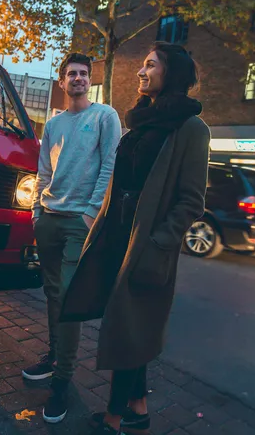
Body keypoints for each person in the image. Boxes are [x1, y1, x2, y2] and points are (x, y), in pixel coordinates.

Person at [59, 42, 210, 434]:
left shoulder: (191, 128)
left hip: (146, 242)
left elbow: (191, 200)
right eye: (143, 65)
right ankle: (138, 409)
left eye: (149, 65)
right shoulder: (140, 121)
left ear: (170, 73)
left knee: (128, 327)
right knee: (131, 324)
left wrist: (160, 242)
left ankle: (113, 419)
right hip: (117, 235)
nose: (141, 72)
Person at [26, 52, 122, 424]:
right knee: (52, 294)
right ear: (61, 82)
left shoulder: (104, 116)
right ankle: (53, 357)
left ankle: (62, 383)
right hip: (49, 219)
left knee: (67, 299)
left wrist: (89, 213)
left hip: (79, 223)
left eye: (83, 73)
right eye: (71, 74)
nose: (78, 78)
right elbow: (43, 170)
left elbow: (110, 165)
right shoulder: (54, 123)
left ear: (89, 80)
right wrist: (37, 213)